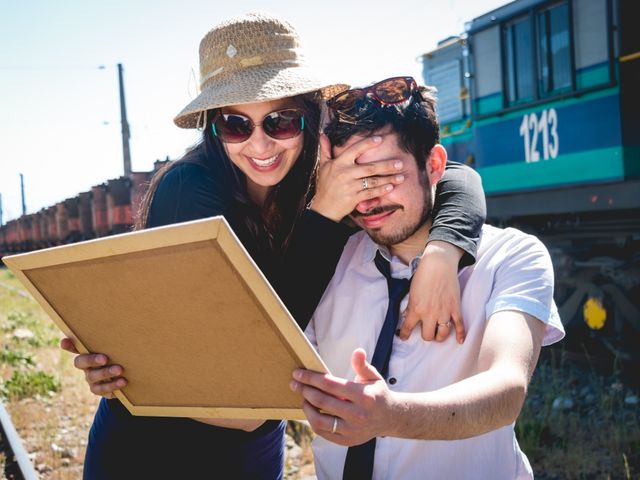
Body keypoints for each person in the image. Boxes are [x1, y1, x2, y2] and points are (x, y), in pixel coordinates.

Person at [61, 14, 486, 480]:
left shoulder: (318, 174)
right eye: (235, 124)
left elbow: (450, 174)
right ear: (212, 128)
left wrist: (444, 252)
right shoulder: (189, 192)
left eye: (281, 121)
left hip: (252, 442)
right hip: (156, 443)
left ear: (310, 117)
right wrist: (323, 213)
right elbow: (247, 349)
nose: (260, 144)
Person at [289, 77, 566, 479]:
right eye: (352, 180)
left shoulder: (510, 256)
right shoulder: (327, 261)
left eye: (386, 175)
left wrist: (388, 416)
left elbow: (506, 388)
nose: (368, 198)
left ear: (434, 165)